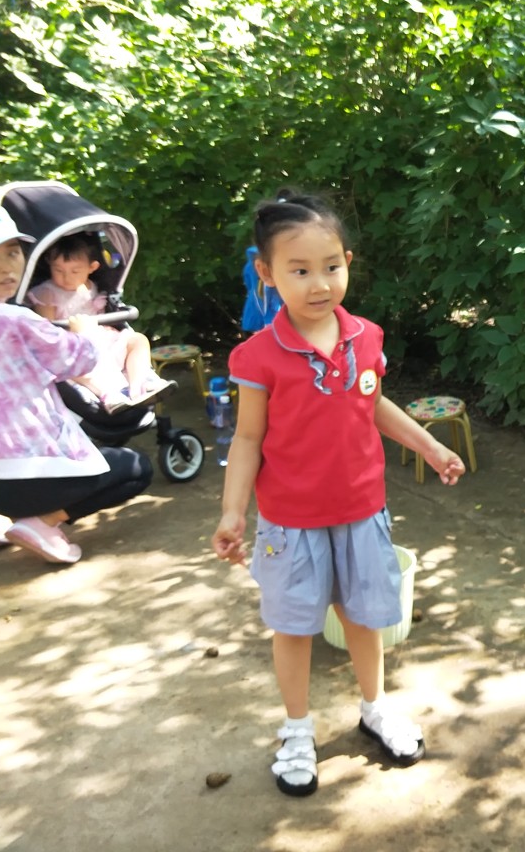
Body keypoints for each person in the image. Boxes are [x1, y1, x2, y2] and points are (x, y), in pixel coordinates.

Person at [210, 192, 467, 797]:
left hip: (361, 512)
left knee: (363, 618)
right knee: (294, 628)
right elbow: (247, 438)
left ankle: (375, 708)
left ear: (347, 261)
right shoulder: (258, 356)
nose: (319, 283)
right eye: (299, 270)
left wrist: (430, 446)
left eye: (330, 266)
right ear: (267, 273)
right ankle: (297, 729)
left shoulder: (366, 338)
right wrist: (232, 512)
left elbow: (371, 403)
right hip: (290, 522)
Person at [0, 206, 154, 564]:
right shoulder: (18, 320)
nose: (6, 267)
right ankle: (43, 523)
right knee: (136, 468)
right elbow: (82, 359)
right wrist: (86, 332)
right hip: (35, 473)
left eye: (13, 253)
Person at [26, 232, 172, 412]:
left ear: (92, 267)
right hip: (72, 347)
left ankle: (139, 385)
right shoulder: (47, 293)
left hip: (103, 341)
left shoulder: (92, 287)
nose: (66, 277)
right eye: (58, 270)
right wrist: (76, 332)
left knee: (138, 340)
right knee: (69, 365)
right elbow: (46, 331)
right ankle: (108, 394)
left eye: (75, 271)